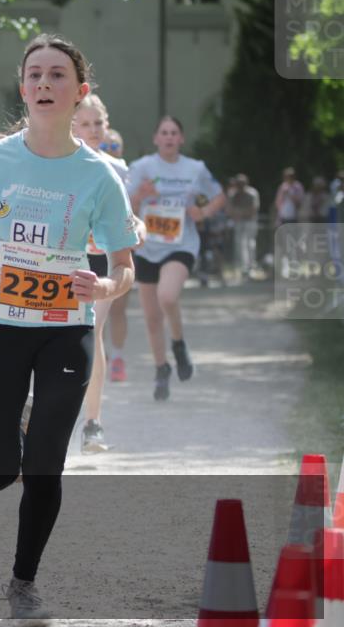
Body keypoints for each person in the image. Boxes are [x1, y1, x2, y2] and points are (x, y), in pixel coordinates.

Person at [0, 34, 138, 625]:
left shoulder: (100, 175)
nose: (45, 84)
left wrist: (104, 288)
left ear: (80, 92)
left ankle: (24, 582)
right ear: (23, 88)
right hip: (0, 324)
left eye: (58, 75)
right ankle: (19, 427)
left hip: (65, 329)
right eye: (35, 75)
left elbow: (124, 265)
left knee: (47, 463)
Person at [127, 116, 225, 400]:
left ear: (181, 138)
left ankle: (179, 344)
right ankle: (162, 369)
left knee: (167, 297)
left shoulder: (195, 169)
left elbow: (219, 197)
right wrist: (139, 197)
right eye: (164, 132)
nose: (169, 137)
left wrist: (202, 212)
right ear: (156, 138)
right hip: (147, 246)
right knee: (152, 318)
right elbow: (124, 206)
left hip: (181, 244)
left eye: (174, 133)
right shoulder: (142, 167)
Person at [71, 93, 142, 453]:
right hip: (63, 261)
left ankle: (93, 423)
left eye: (98, 123)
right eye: (85, 124)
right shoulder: (57, 164)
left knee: (92, 331)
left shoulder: (117, 169)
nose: (93, 130)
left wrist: (139, 228)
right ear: (71, 127)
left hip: (100, 263)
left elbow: (128, 218)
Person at [226, 173, 260, 280]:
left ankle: (251, 266)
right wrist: (238, 214)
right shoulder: (232, 194)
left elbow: (253, 210)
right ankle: (242, 267)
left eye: (242, 183)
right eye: (238, 183)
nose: (240, 186)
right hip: (238, 222)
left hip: (250, 222)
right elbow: (229, 210)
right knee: (239, 245)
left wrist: (240, 213)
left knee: (250, 244)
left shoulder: (252, 193)